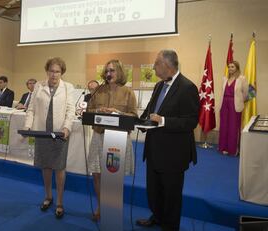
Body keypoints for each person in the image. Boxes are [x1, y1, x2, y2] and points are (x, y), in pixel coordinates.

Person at [136, 50, 199, 231]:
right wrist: (137, 121)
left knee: (171, 194)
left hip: (174, 153)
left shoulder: (188, 87)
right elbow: (149, 111)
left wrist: (163, 121)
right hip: (154, 149)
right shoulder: (158, 86)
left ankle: (170, 227)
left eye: (156, 63)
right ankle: (157, 217)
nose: (154, 67)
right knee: (154, 191)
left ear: (167, 65)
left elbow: (191, 121)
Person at [24, 57, 75, 219]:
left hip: (60, 133)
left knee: (59, 168)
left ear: (62, 73)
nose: (54, 74)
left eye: (57, 71)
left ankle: (59, 201)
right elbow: (31, 109)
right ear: (47, 71)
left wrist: (67, 127)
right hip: (42, 132)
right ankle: (48, 196)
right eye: (51, 71)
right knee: (45, 166)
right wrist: (27, 126)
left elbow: (70, 110)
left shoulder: (68, 87)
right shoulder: (39, 86)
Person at [87, 59, 138, 221]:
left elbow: (134, 116)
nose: (109, 74)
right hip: (99, 136)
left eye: (112, 71)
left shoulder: (128, 92)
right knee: (96, 174)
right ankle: (102, 206)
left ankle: (111, 208)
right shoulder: (98, 91)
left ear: (119, 72)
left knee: (113, 177)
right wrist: (98, 110)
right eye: (107, 71)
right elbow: (88, 111)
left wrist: (117, 112)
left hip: (118, 139)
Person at [218, 61, 248, 156]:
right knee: (224, 126)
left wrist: (239, 101)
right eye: (229, 67)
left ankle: (233, 149)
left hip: (235, 106)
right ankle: (223, 147)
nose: (230, 68)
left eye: (232, 67)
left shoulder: (242, 79)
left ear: (237, 68)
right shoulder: (225, 79)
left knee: (233, 127)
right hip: (224, 105)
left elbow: (246, 93)